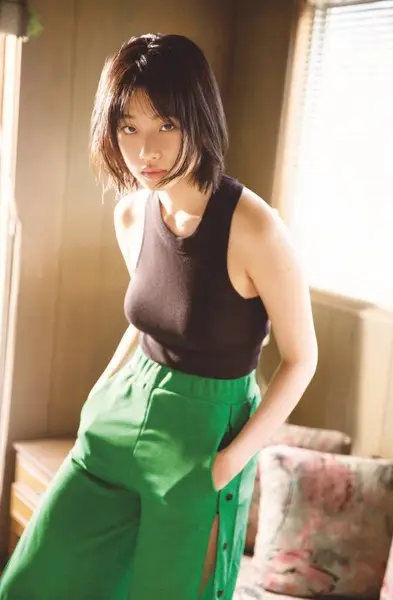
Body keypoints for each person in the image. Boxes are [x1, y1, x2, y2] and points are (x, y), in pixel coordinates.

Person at [0, 33, 318, 600]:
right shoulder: (131, 214)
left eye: (165, 125)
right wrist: (98, 395)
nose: (145, 150)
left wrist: (229, 463)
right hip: (117, 417)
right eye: (128, 127)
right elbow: (148, 320)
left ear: (198, 119)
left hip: (203, 438)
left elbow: (301, 359)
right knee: (33, 583)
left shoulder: (256, 229)